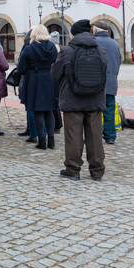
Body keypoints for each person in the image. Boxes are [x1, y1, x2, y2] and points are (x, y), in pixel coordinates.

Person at [51, 19, 108, 181]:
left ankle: (73, 169)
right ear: (90, 32)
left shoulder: (67, 51)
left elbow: (55, 74)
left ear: (73, 33)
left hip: (72, 99)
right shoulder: (100, 50)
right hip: (95, 99)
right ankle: (97, 171)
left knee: (73, 136)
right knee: (95, 136)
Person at [19, 24, 58, 149]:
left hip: (34, 80)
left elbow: (21, 68)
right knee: (49, 110)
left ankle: (41, 141)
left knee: (37, 111)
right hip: (50, 80)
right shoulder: (53, 47)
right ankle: (51, 140)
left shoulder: (29, 48)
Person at [93, 21, 121, 145]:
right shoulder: (114, 43)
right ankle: (110, 136)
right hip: (111, 80)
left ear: (95, 29)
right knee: (109, 108)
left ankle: (94, 134)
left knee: (94, 110)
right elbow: (118, 61)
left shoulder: (93, 42)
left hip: (96, 80)